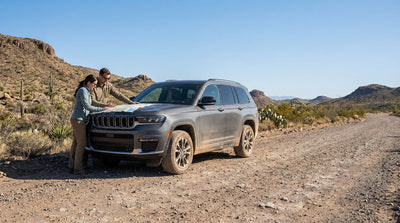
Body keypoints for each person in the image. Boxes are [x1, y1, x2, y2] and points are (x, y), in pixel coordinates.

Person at [70, 74, 109, 174]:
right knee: (81, 143)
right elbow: (87, 106)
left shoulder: (86, 91)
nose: (95, 87)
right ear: (88, 83)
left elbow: (92, 103)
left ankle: (72, 166)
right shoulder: (83, 91)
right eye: (94, 84)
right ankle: (78, 168)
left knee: (76, 143)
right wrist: (101, 109)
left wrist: (105, 105)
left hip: (77, 119)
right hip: (78, 120)